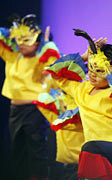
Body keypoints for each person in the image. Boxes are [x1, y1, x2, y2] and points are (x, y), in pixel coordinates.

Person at [45, 29, 112, 180]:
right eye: (91, 68)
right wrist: (84, 57)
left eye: (99, 70)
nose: (92, 74)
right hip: (99, 155)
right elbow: (55, 73)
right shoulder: (82, 89)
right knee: (90, 152)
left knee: (89, 147)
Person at [0, 14, 60, 180]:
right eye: (18, 39)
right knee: (17, 148)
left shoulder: (40, 60)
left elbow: (55, 65)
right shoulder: (13, 57)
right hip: (15, 110)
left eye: (26, 40)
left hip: (35, 109)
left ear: (37, 42)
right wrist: (11, 29)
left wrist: (47, 43)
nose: (21, 44)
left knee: (36, 149)